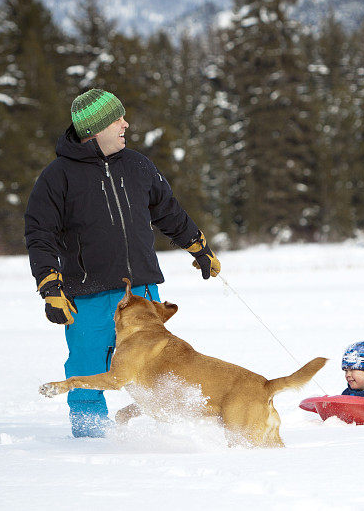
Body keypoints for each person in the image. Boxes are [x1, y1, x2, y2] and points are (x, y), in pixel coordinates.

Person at [24, 88, 221, 437]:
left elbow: (168, 211)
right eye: (118, 120)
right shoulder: (58, 177)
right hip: (89, 296)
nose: (126, 125)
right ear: (94, 130)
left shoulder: (138, 165)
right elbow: (40, 234)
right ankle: (91, 440)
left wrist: (197, 246)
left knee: (157, 368)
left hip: (142, 294)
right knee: (87, 368)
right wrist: (49, 287)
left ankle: (171, 434)